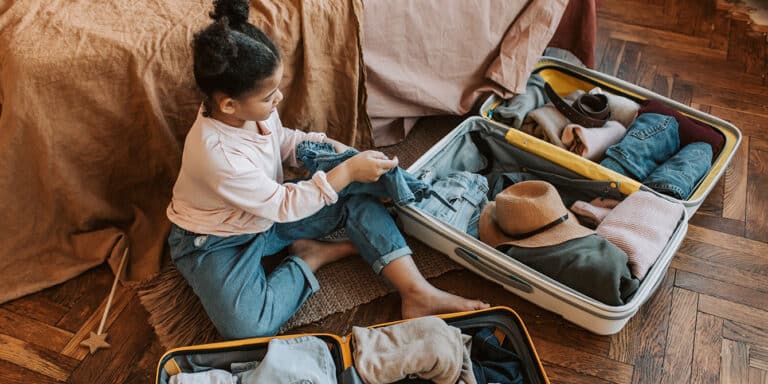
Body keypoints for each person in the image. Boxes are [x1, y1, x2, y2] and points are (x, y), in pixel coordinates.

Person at [166, 0, 488, 339]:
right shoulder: (218, 156)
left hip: (268, 216)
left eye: (277, 89)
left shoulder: (251, 112)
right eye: (268, 97)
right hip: (218, 239)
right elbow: (284, 204)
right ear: (228, 105)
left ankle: (416, 291)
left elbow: (282, 141)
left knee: (358, 196)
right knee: (246, 325)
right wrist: (345, 173)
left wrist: (329, 152)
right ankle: (312, 257)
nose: (277, 100)